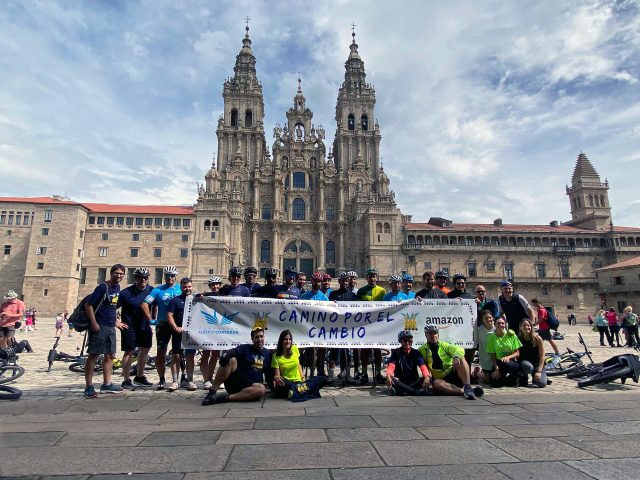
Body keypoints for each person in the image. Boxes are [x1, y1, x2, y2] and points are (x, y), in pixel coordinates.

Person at [83, 264, 126, 398]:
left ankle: (106, 384)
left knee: (110, 355)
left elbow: (111, 307)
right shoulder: (103, 287)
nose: (119, 275)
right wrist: (94, 323)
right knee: (94, 355)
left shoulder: (117, 287)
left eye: (121, 274)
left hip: (110, 326)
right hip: (99, 326)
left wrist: (115, 322)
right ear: (111, 273)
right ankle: (88, 387)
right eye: (116, 273)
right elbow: (88, 305)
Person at [202, 326, 272, 405]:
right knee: (231, 360)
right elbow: (233, 351)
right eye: (257, 337)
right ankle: (212, 392)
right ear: (252, 339)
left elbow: (269, 374)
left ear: (264, 337)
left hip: (252, 387)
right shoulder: (245, 348)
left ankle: (224, 398)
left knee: (261, 389)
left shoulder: (268, 354)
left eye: (261, 336)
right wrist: (226, 355)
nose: (259, 339)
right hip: (236, 383)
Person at [140, 265, 183, 389]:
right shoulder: (157, 290)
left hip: (177, 325)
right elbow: (144, 304)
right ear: (164, 276)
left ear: (175, 277)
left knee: (177, 354)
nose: (169, 278)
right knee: (161, 353)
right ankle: (162, 379)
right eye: (167, 276)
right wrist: (151, 320)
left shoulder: (180, 289)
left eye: (172, 276)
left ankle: (176, 379)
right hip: (163, 324)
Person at [419, 324, 483, 399]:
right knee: (436, 384)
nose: (433, 335)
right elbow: (422, 365)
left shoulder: (444, 345)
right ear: (426, 335)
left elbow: (460, 349)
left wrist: (456, 357)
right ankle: (466, 391)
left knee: (461, 357)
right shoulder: (422, 349)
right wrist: (427, 377)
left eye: (435, 333)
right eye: (430, 333)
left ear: (438, 335)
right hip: (440, 379)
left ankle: (467, 387)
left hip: (454, 373)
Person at [118, 267, 154, 389]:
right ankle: (126, 379)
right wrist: (116, 322)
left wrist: (154, 317)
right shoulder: (125, 293)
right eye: (140, 277)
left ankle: (140, 376)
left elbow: (157, 304)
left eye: (145, 277)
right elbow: (111, 307)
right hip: (130, 326)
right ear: (136, 278)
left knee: (145, 350)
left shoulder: (151, 290)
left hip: (145, 326)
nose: (143, 280)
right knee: (129, 352)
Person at [271, 329, 326, 401]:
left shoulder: (294, 349)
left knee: (323, 379)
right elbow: (278, 376)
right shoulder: (276, 356)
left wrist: (302, 377)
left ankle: (295, 392)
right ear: (281, 341)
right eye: (285, 339)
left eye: (289, 339)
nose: (288, 341)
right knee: (282, 383)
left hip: (299, 383)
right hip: (287, 383)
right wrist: (277, 378)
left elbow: (298, 365)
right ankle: (302, 391)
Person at [166, 277, 197, 391]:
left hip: (191, 334)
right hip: (178, 332)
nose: (187, 289)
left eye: (189, 286)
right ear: (181, 287)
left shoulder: (196, 300)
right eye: (185, 287)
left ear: (192, 287)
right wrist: (175, 327)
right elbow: (169, 315)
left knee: (190, 357)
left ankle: (190, 380)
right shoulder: (175, 300)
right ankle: (175, 381)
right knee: (176, 356)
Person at [356, 268, 386, 384]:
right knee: (364, 351)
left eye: (374, 276)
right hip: (365, 325)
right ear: (366, 278)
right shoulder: (361, 291)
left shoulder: (382, 291)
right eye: (370, 276)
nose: (372, 279)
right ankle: (364, 373)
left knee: (377, 350)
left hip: (377, 324)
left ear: (376, 278)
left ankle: (378, 373)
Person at [386, 330, 431, 395]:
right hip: (400, 381)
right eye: (405, 340)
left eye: (409, 341)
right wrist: (388, 375)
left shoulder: (416, 352)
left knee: (425, 377)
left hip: (413, 381)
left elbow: (423, 366)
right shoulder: (396, 352)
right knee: (391, 377)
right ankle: (414, 392)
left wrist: (427, 377)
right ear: (400, 341)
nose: (407, 343)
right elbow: (391, 366)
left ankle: (400, 391)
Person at [486, 316, 524, 387]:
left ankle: (516, 376)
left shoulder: (511, 335)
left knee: (507, 365)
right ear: (494, 324)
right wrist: (496, 369)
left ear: (505, 324)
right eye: (498, 323)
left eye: (502, 323)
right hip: (499, 362)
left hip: (511, 362)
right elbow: (493, 355)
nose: (501, 325)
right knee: (495, 384)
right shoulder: (491, 338)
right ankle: (504, 379)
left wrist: (508, 357)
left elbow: (517, 353)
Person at [200, 275, 223, 388]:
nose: (215, 286)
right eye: (213, 285)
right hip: (207, 328)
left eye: (217, 284)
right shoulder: (205, 296)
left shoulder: (224, 296)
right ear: (210, 286)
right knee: (205, 353)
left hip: (219, 329)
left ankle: (210, 377)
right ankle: (206, 379)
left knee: (215, 354)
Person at [517, 318, 547, 387]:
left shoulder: (537, 339)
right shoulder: (518, 339)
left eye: (528, 325)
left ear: (531, 327)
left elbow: (542, 356)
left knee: (542, 384)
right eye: (524, 325)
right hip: (525, 365)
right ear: (520, 327)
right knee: (523, 383)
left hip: (537, 364)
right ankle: (525, 376)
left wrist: (539, 371)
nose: (526, 327)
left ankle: (537, 376)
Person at [530, 299, 560, 364]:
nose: (534, 305)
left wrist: (534, 324)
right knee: (538, 341)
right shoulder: (541, 310)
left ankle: (557, 353)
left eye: (534, 304)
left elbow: (541, 319)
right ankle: (539, 353)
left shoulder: (541, 310)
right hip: (542, 329)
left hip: (544, 329)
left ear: (537, 303)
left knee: (550, 340)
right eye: (533, 304)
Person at [476, 310, 496, 384]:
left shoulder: (497, 328)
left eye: (490, 317)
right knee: (486, 381)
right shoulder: (479, 330)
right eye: (486, 318)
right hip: (485, 357)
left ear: (493, 318)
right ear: (482, 320)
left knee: (495, 379)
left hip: (496, 358)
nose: (488, 320)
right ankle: (477, 373)